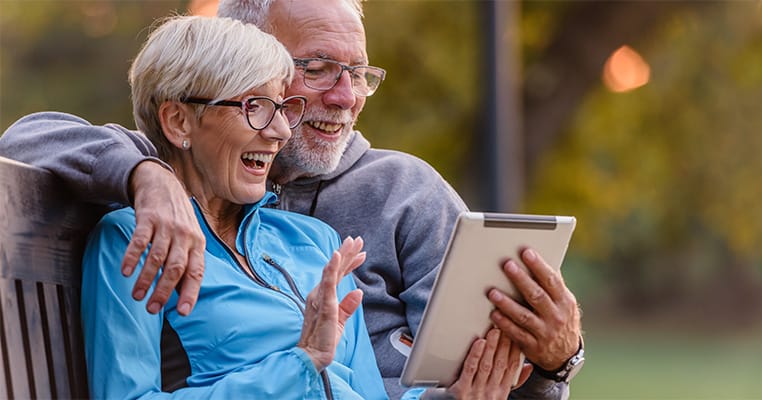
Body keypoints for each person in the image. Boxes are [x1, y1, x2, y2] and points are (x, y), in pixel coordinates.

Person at [0, 0, 583, 398]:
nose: (345, 95)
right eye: (319, 68)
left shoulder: (325, 239)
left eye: (357, 72)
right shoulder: (142, 220)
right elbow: (29, 136)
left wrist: (555, 361)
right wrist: (148, 176)